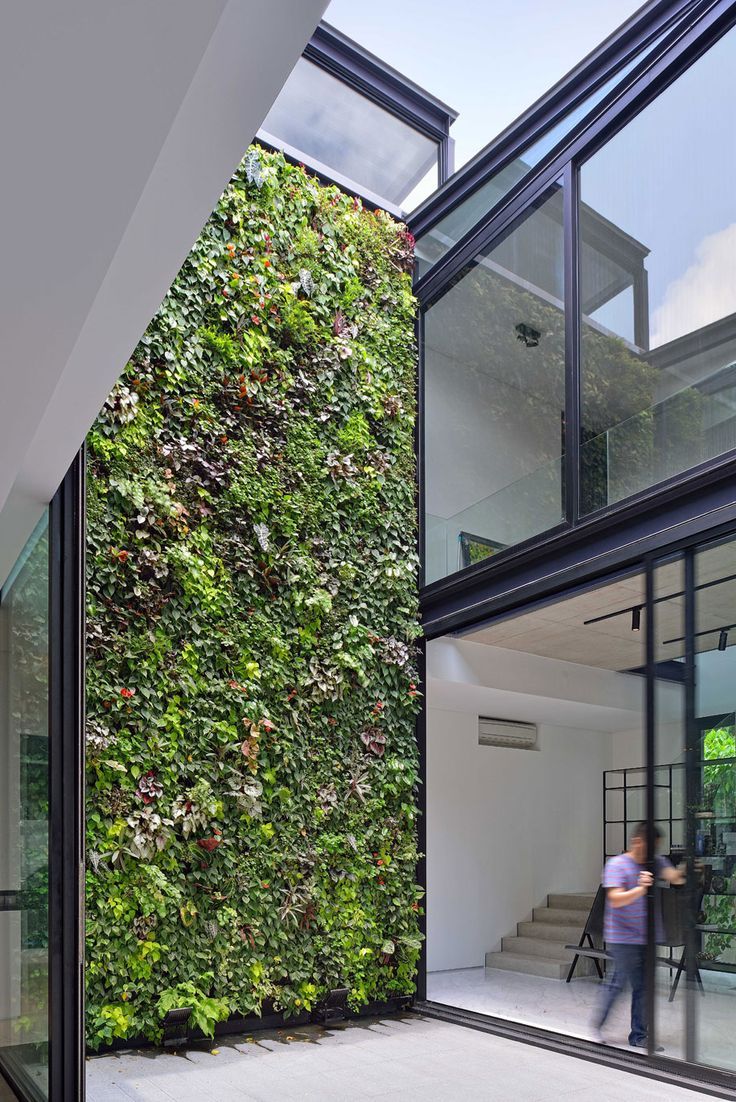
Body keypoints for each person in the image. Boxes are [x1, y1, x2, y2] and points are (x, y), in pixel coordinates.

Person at [594, 822, 684, 1049]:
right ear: (636, 842)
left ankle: (639, 1036)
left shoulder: (656, 862)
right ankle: (598, 1023)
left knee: (644, 987)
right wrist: (640, 889)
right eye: (649, 848)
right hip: (622, 937)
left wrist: (686, 871)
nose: (651, 854)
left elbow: (674, 877)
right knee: (618, 984)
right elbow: (615, 898)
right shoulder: (617, 864)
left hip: (649, 937)